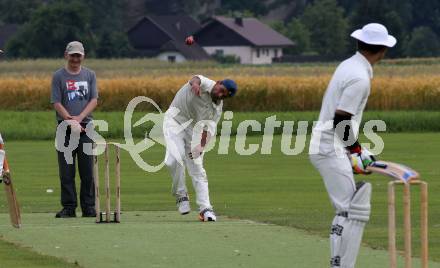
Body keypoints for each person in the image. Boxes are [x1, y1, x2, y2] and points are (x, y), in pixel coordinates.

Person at [309, 23, 396, 267]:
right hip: (329, 146)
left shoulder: (348, 65)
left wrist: (357, 151)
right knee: (352, 211)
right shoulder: (359, 76)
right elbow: (340, 119)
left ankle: (338, 263)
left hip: (329, 144)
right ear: (382, 49)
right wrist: (356, 152)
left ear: (359, 43)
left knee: (346, 210)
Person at [163, 75, 237, 222]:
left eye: (224, 95)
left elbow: (208, 130)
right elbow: (195, 78)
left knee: (197, 167)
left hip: (194, 130)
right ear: (219, 83)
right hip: (174, 121)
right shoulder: (206, 83)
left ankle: (205, 209)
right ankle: (181, 195)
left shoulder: (216, 109)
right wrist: (195, 85)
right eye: (221, 90)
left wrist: (200, 147)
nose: (220, 94)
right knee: (173, 160)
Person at [51, 41, 98, 218]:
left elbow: (93, 100)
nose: (75, 59)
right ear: (66, 55)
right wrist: (70, 120)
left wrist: (79, 119)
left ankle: (89, 207)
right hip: (65, 128)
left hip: (86, 128)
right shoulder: (58, 76)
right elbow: (56, 102)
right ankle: (69, 207)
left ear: (83, 56)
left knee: (87, 171)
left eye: (78, 55)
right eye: (73, 55)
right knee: (66, 171)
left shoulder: (90, 75)